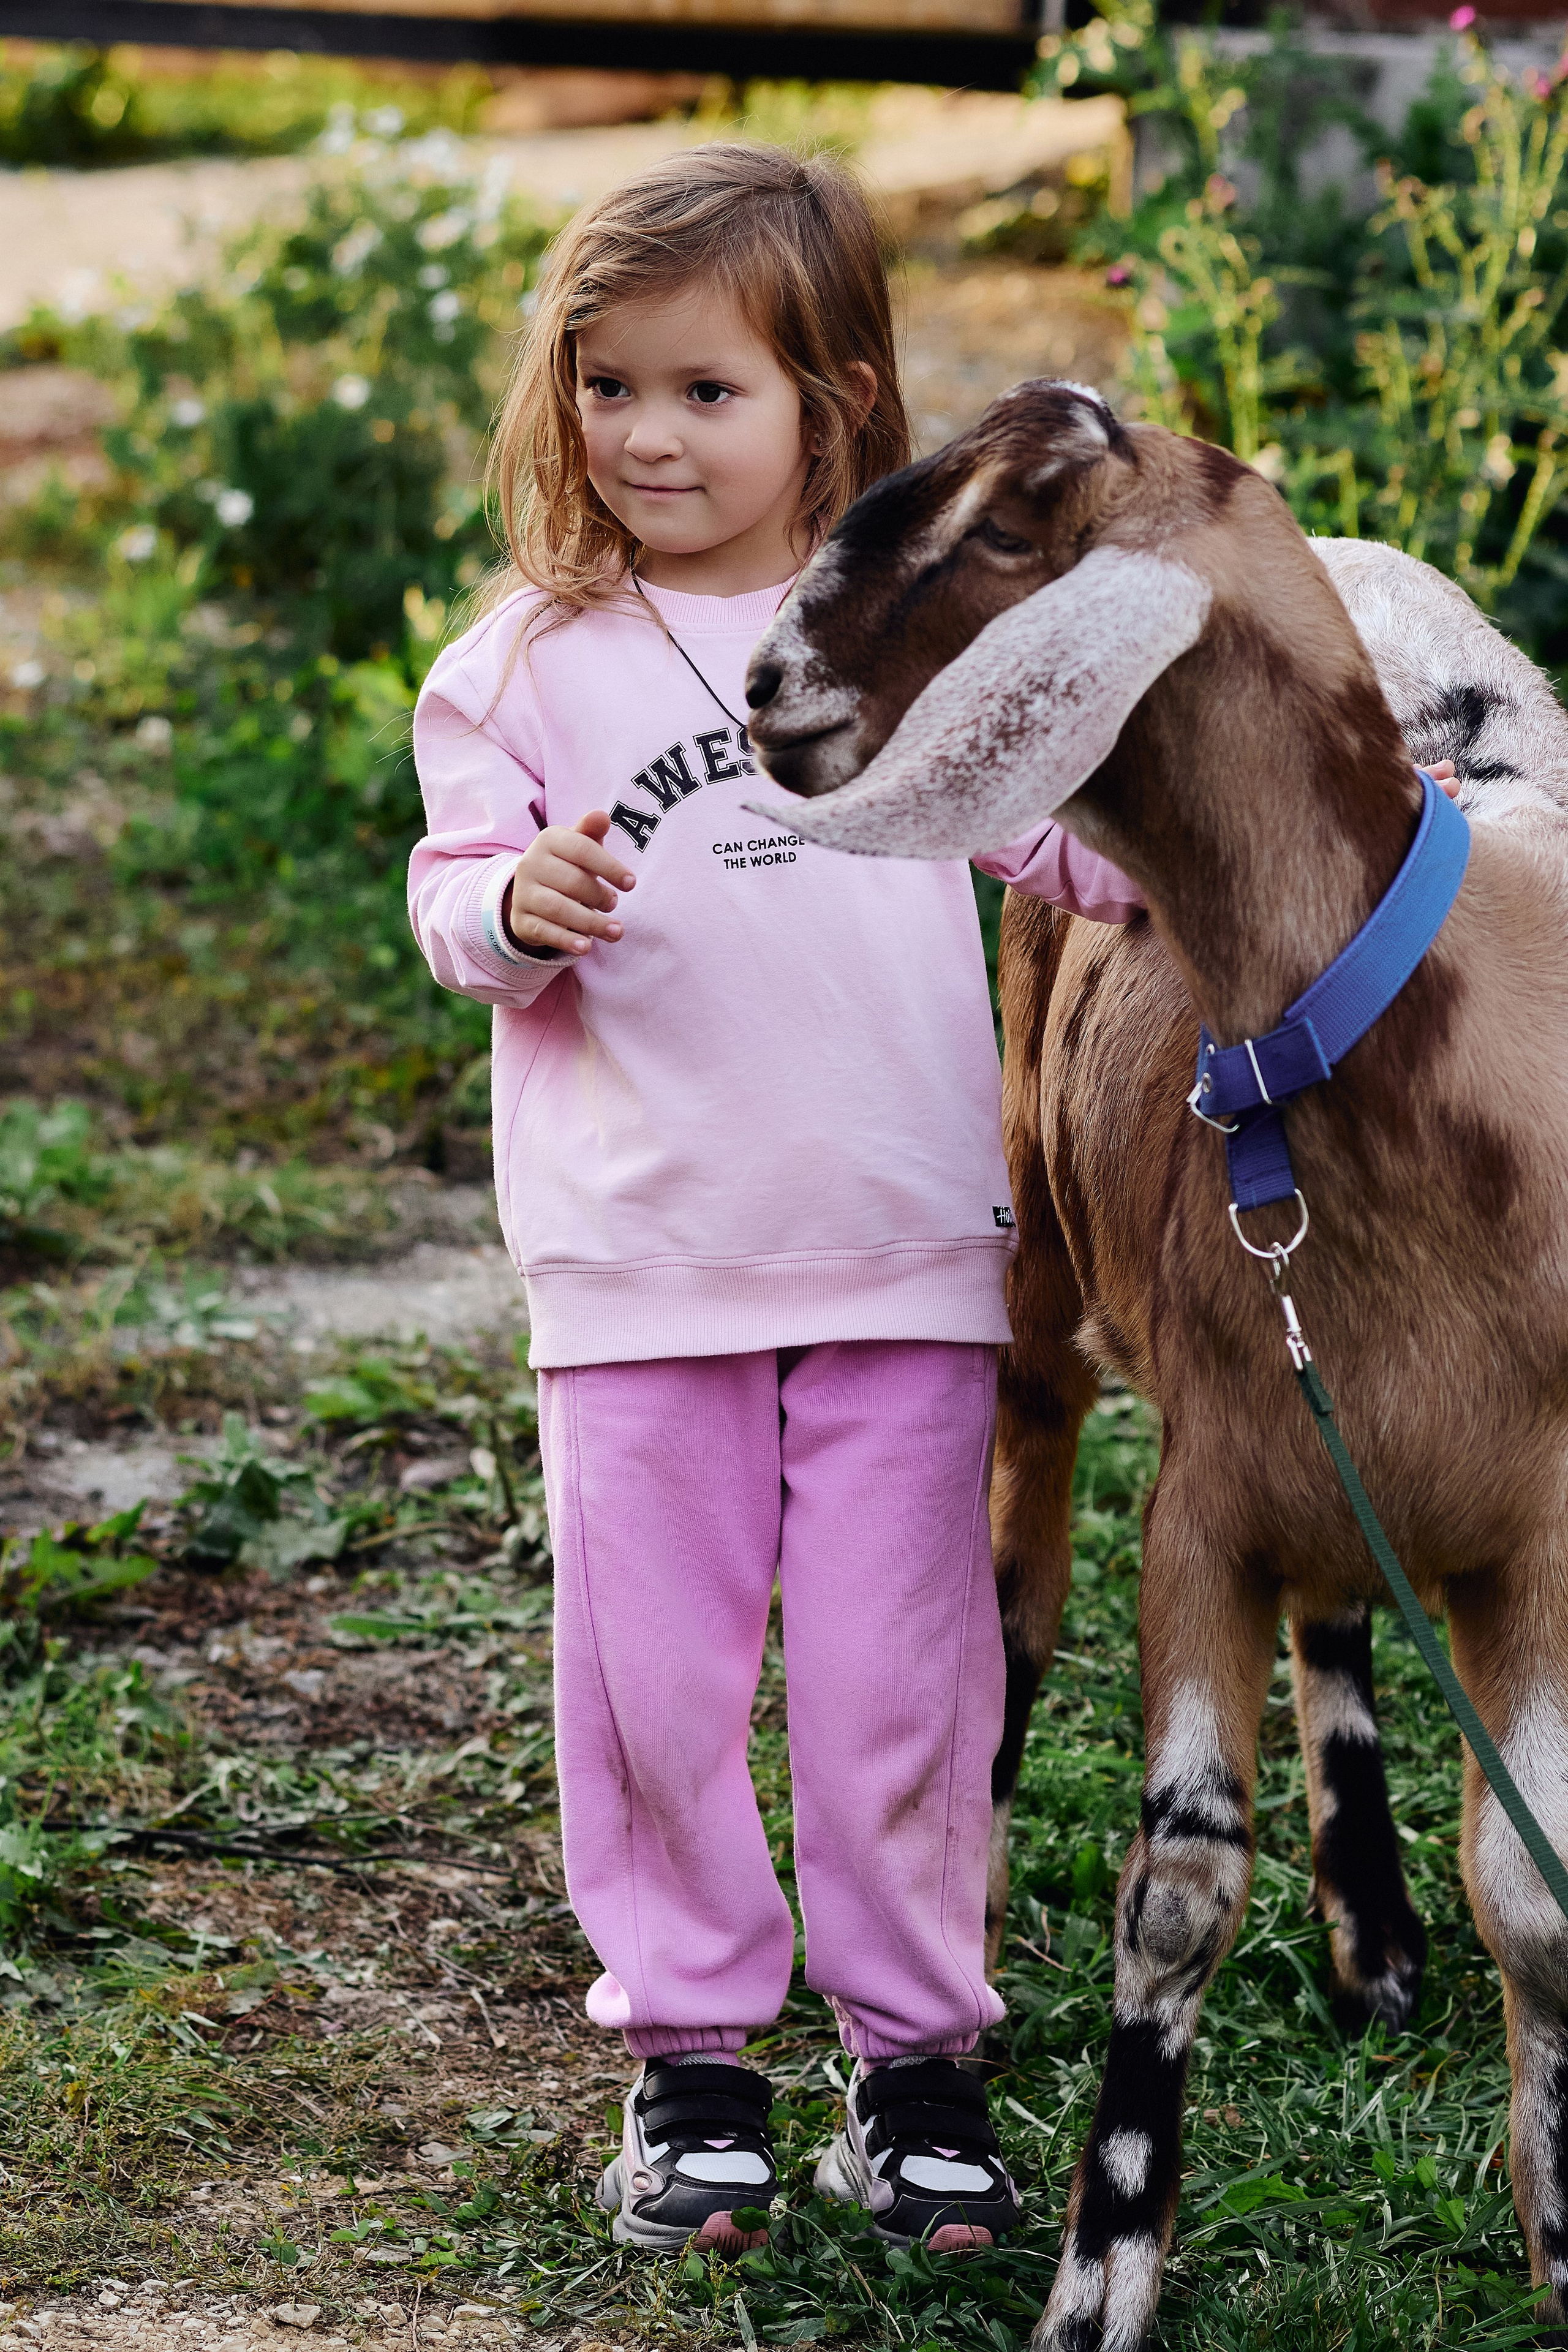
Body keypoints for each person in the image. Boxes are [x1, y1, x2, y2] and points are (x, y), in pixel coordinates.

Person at [408, 143, 1143, 2264]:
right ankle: (699, 2067)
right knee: (648, 1681)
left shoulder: (907, 638)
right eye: (606, 385)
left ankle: (914, 2071)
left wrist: (1286, 859)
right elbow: (457, 900)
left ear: (832, 394)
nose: (644, 434)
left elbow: (1071, 847)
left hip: (907, 1254)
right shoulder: (529, 662)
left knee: (900, 1682)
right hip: (642, 1270)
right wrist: (514, 904)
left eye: (703, 391)